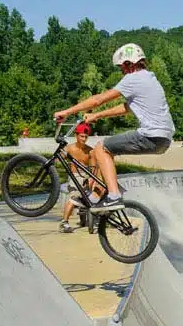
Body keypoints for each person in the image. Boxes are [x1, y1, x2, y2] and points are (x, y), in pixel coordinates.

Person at [53, 43, 175, 213]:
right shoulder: (150, 79)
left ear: (129, 64)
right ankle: (96, 196)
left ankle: (114, 195)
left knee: (103, 148)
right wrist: (97, 116)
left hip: (150, 135)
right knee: (98, 150)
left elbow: (98, 100)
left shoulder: (133, 78)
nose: (121, 72)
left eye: (121, 68)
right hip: (163, 139)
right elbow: (126, 108)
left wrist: (67, 112)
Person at [59, 124, 96, 233]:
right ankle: (64, 223)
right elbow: (59, 157)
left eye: (86, 137)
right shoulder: (69, 148)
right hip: (75, 177)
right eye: (82, 136)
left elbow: (94, 167)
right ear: (76, 135)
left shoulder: (90, 150)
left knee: (91, 197)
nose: (84, 139)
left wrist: (91, 179)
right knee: (74, 198)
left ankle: (88, 220)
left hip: (87, 176)